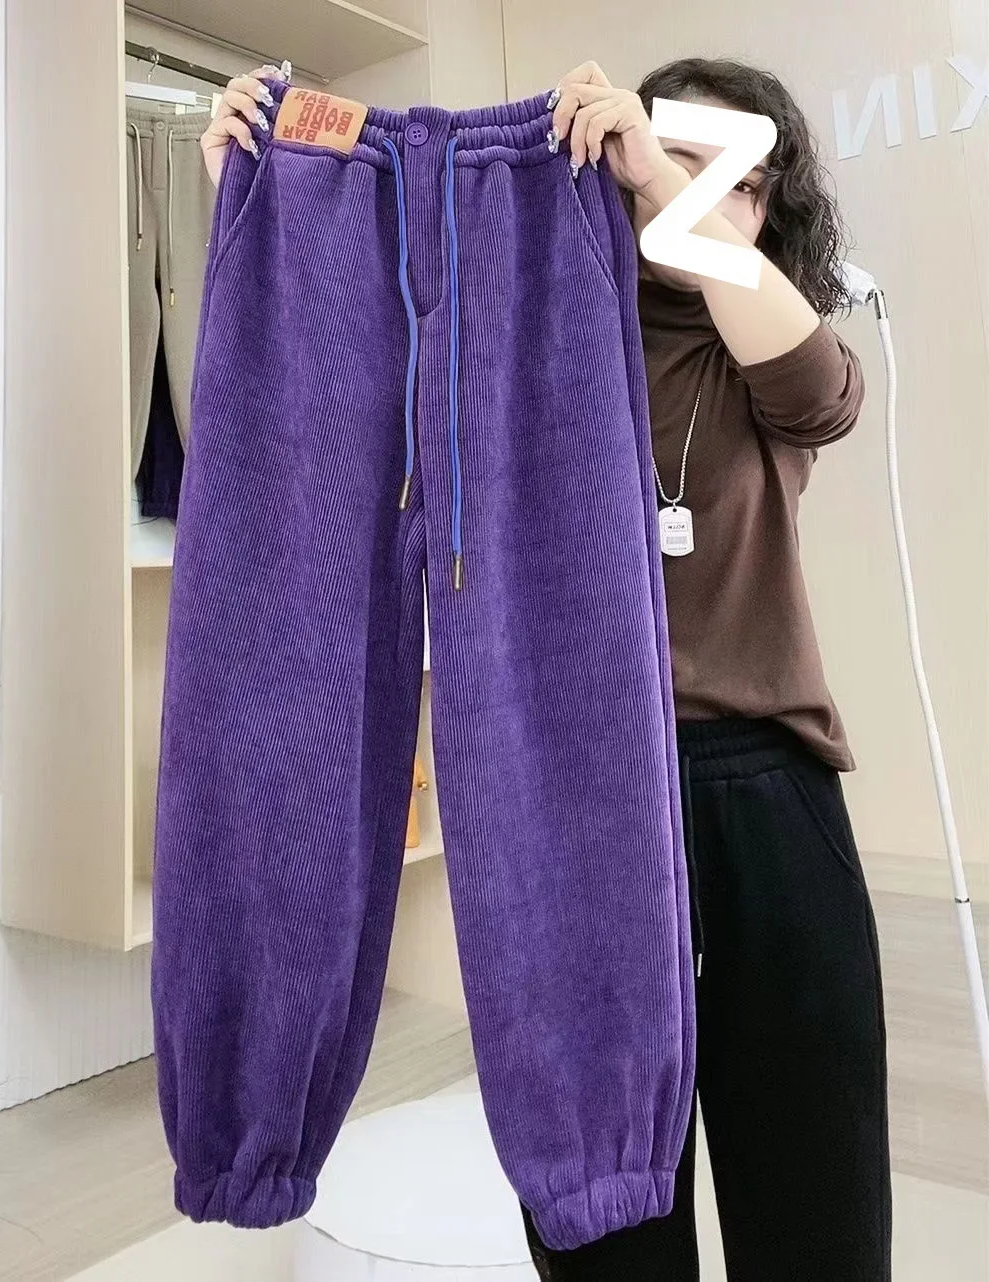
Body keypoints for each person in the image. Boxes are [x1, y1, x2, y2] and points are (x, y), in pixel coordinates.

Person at [201, 55, 891, 1281]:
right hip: (572, 803)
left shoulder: (755, 333)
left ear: (773, 205)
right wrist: (261, 200)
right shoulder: (528, 332)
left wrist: (666, 187)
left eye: (734, 176)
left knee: (814, 1206)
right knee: (605, 1226)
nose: (695, 186)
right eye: (668, 150)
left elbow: (823, 393)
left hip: (759, 796)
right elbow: (349, 380)